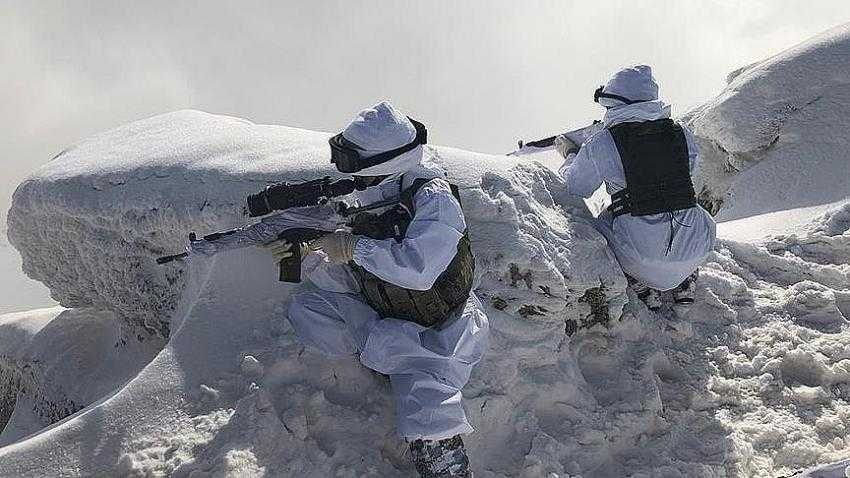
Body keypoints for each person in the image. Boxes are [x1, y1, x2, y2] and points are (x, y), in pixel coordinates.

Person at [263, 101, 488, 477]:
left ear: (382, 164)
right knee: (310, 309)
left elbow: (420, 269)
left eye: (352, 164)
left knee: (427, 399)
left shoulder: (434, 198)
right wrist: (303, 252)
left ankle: (445, 465)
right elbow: (345, 269)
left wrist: (354, 247)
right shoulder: (378, 192)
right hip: (388, 309)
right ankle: (382, 362)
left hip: (442, 327)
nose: (346, 173)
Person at [557, 65, 716, 311]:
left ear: (617, 103)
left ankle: (639, 283)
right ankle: (685, 278)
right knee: (692, 211)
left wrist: (570, 155)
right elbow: (687, 174)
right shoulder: (681, 133)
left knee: (597, 223)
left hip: (640, 259)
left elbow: (576, 187)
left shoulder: (604, 141)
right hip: (697, 248)